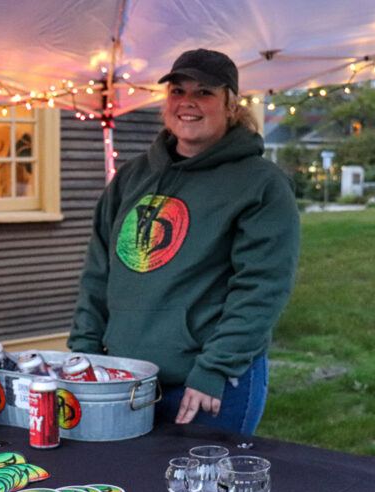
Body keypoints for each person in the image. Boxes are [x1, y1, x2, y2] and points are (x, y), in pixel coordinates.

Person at [68, 48, 300, 434]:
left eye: (204, 92)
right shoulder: (132, 177)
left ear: (230, 105)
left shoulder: (261, 184)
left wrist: (214, 369)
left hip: (204, 385)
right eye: (177, 91)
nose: (188, 102)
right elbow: (98, 273)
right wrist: (85, 356)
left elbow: (261, 288)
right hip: (119, 379)